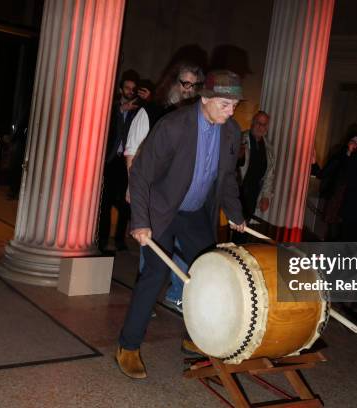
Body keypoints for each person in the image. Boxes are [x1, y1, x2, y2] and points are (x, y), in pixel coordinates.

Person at [116, 70, 246, 379]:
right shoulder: (174, 126)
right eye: (225, 105)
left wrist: (237, 215)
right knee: (156, 273)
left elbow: (226, 178)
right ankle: (128, 345)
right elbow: (142, 173)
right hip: (163, 210)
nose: (231, 112)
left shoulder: (230, 132)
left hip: (196, 212)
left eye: (235, 105)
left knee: (206, 271)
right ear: (205, 99)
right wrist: (141, 221)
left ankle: (196, 337)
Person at [124, 62, 205, 313]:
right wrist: (134, 189)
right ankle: (144, 304)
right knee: (151, 255)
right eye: (184, 83)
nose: (188, 90)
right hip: (153, 195)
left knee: (179, 252)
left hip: (181, 199)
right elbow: (131, 153)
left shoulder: (195, 117)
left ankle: (176, 294)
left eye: (194, 85)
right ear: (172, 82)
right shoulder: (150, 111)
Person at [98, 70, 148, 253]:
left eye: (133, 89)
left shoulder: (139, 111)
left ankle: (119, 239)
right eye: (127, 88)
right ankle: (102, 239)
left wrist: (147, 100)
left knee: (125, 203)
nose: (130, 91)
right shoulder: (111, 108)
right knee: (105, 202)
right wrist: (121, 110)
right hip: (111, 160)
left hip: (127, 162)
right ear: (120, 89)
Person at [316, 126, 357, 241]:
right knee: (332, 232)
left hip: (353, 202)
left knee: (345, 234)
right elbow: (324, 173)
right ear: (347, 143)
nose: (355, 145)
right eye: (352, 141)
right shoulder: (339, 156)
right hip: (337, 198)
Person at [233, 111, 275, 242]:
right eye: (258, 123)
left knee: (243, 228)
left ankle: (237, 254)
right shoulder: (241, 139)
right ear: (252, 123)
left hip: (253, 194)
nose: (260, 127)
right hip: (237, 191)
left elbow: (269, 174)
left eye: (264, 124)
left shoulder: (268, 148)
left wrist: (266, 196)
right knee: (234, 226)